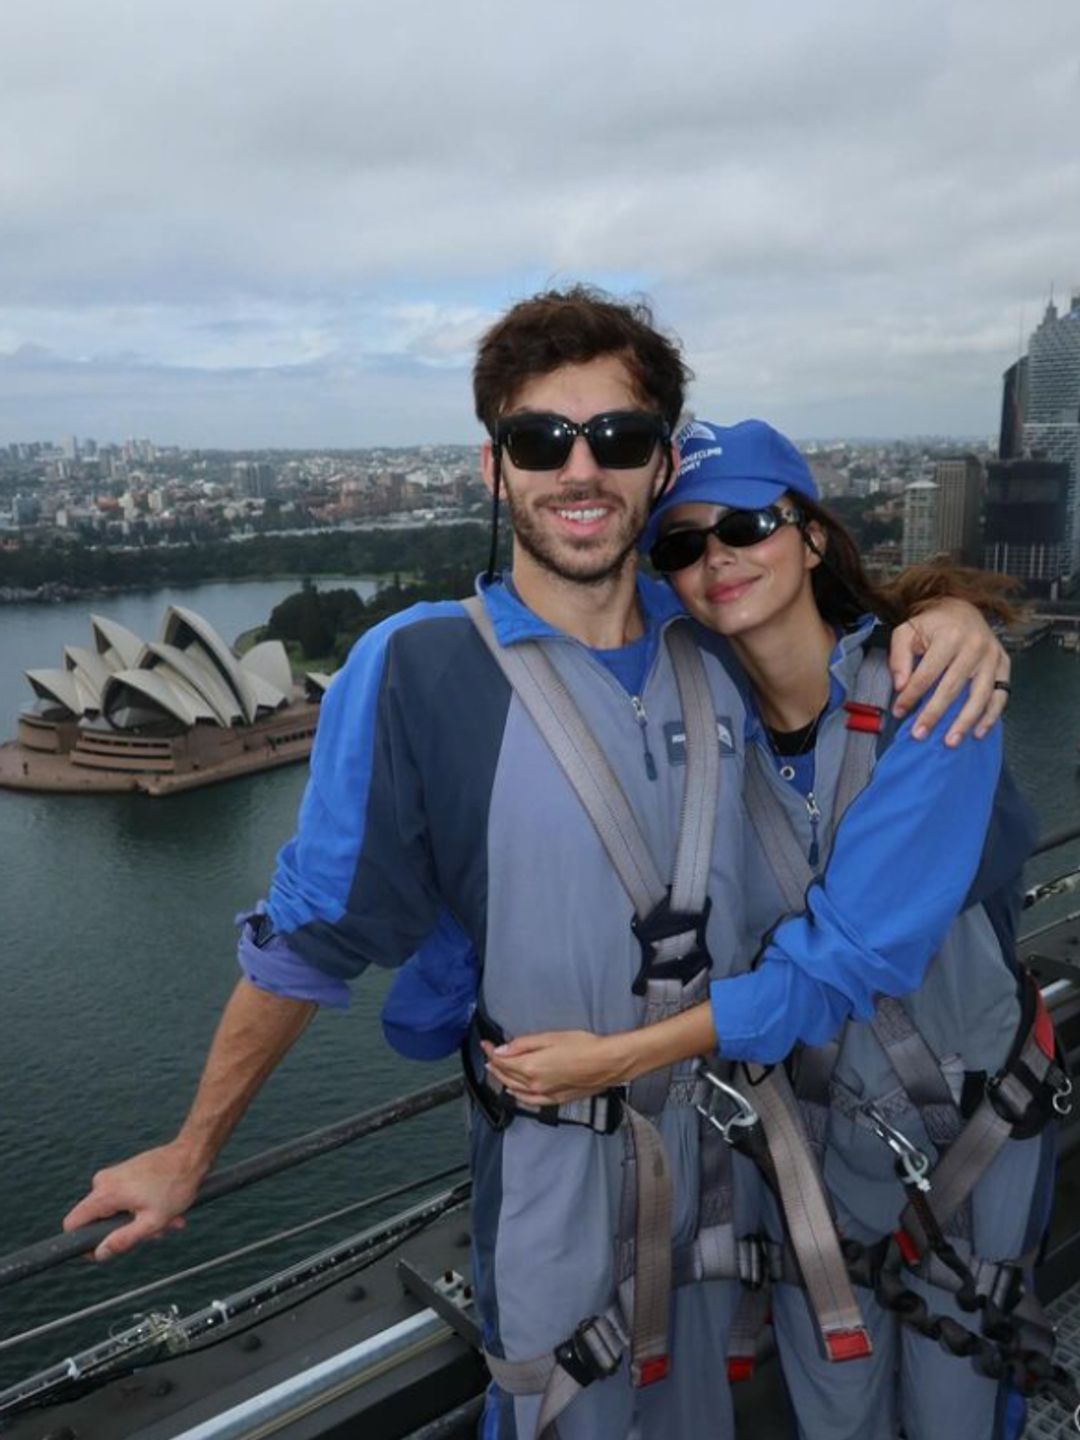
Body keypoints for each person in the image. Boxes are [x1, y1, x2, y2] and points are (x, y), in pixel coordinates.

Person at [64, 289, 1008, 1440]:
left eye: (615, 438)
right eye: (539, 438)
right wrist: (190, 1151)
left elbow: (828, 633)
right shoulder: (417, 672)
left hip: (742, 1150)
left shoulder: (704, 636)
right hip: (560, 1172)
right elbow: (309, 936)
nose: (579, 467)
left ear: (659, 465)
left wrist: (955, 613)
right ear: (493, 466)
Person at [484, 419, 1057, 1440]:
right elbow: (584, 610)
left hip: (964, 1132)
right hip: (815, 1151)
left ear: (814, 536)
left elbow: (847, 960)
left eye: (746, 525)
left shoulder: (930, 701)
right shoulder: (706, 739)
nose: (717, 559)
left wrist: (617, 1059)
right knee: (834, 1415)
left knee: (957, 1413)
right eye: (683, 544)